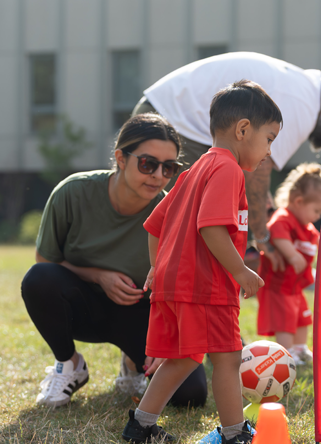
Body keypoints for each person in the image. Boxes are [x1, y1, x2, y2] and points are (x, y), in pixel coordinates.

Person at [121, 80, 281, 444]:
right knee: (228, 358)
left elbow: (154, 227)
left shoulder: (193, 171)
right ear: (243, 130)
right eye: (269, 138)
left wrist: (156, 268)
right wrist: (239, 270)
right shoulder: (228, 171)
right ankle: (235, 433)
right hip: (206, 286)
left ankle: (141, 425)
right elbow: (210, 226)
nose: (270, 150)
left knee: (182, 357)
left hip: (175, 284)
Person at [132, 52, 321, 270]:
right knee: (174, 218)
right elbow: (257, 175)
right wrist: (263, 240)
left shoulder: (301, 88)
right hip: (168, 116)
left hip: (172, 113)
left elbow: (252, 173)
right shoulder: (303, 105)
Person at [22, 113, 208, 408]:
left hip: (140, 313)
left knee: (190, 396)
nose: (159, 175)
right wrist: (98, 276)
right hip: (82, 308)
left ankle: (133, 365)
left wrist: (171, 338)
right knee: (39, 279)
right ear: (121, 158)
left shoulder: (173, 211)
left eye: (169, 167)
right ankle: (69, 364)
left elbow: (184, 285)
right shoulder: (73, 192)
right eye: (148, 164)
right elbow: (45, 262)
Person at [256, 163, 321, 365]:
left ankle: (300, 348)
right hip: (279, 286)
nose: (317, 217)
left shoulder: (307, 227)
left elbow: (317, 242)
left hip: (294, 286)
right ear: (298, 201)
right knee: (285, 321)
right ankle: (285, 354)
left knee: (303, 317)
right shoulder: (284, 218)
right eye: (316, 211)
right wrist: (292, 255)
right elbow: (276, 232)